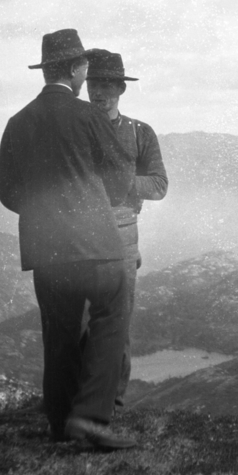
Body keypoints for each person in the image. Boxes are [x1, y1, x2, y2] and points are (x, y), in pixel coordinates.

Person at [0, 28, 137, 450]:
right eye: (84, 69)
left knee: (58, 336)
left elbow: (7, 191)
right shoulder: (90, 116)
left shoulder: (17, 122)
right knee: (112, 317)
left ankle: (60, 426)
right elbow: (120, 176)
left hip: (47, 250)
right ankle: (92, 418)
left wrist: (45, 217)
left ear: (46, 71)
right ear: (77, 69)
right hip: (97, 245)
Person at [85, 48, 168, 405]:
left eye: (107, 84)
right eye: (93, 84)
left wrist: (122, 183)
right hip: (79, 230)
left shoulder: (140, 133)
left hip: (122, 232)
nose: (99, 92)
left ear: (121, 88)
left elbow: (159, 185)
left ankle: (113, 401)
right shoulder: (75, 128)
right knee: (77, 319)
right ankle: (79, 399)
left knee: (117, 321)